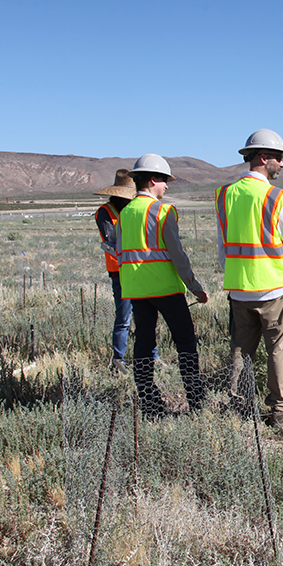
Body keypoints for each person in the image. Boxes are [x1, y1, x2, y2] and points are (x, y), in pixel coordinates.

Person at [216, 129, 283, 426]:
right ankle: (280, 410)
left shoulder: (225, 195)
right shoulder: (275, 196)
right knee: (276, 349)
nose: (282, 164)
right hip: (273, 288)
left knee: (241, 349)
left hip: (238, 288)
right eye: (278, 158)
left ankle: (239, 404)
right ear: (263, 158)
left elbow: (222, 245)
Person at [117, 153, 209, 416]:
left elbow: (121, 253)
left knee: (143, 344)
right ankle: (197, 402)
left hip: (137, 290)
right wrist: (195, 287)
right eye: (165, 181)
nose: (167, 186)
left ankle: (149, 403)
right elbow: (177, 255)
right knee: (186, 345)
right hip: (167, 289)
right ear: (154, 179)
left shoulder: (125, 213)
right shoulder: (163, 211)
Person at [93, 169, 139, 374]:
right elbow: (108, 243)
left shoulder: (131, 210)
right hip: (120, 271)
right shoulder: (106, 212)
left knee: (144, 316)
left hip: (139, 269)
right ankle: (118, 360)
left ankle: (150, 356)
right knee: (124, 317)